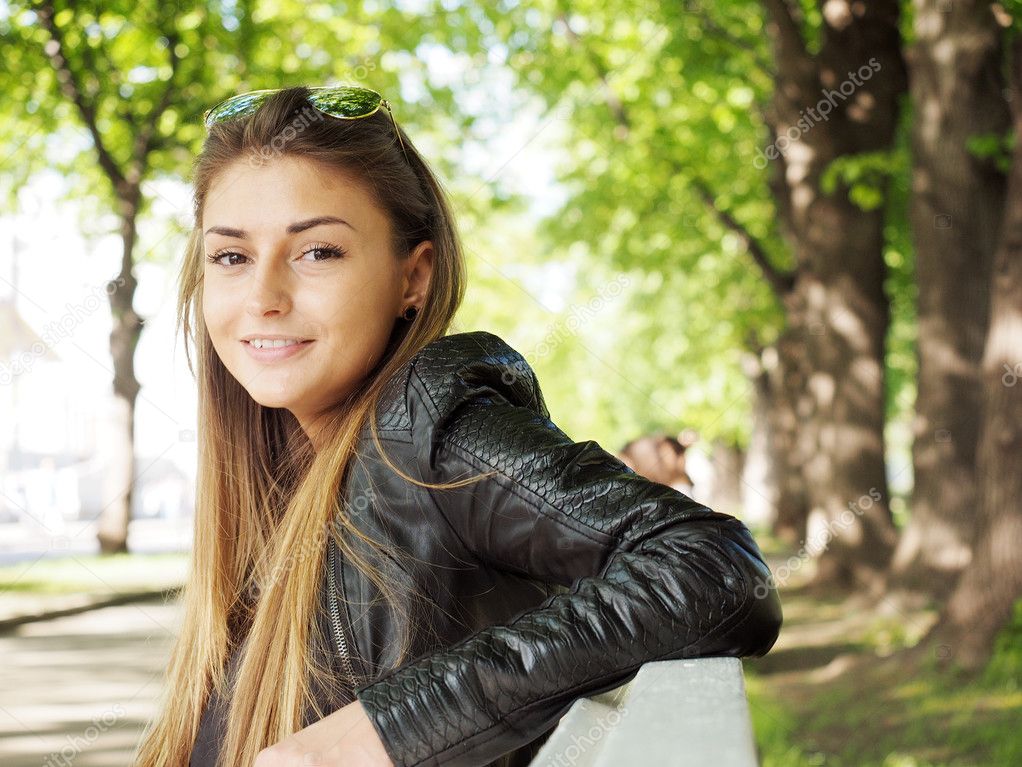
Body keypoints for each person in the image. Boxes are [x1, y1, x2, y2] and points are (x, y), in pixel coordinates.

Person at [133, 85, 783, 767]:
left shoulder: (427, 429)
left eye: (317, 251)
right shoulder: (275, 480)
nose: (263, 297)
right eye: (231, 256)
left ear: (413, 277)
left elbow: (714, 567)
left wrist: (391, 725)